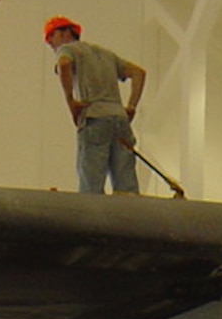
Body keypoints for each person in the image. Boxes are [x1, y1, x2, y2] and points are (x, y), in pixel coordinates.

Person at [44, 16, 147, 194]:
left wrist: (71, 101)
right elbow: (139, 73)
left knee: (91, 188)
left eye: (51, 37)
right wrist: (131, 107)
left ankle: (92, 220)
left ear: (65, 33)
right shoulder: (106, 54)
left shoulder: (67, 50)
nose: (51, 44)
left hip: (94, 120)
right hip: (120, 122)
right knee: (127, 189)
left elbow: (64, 64)